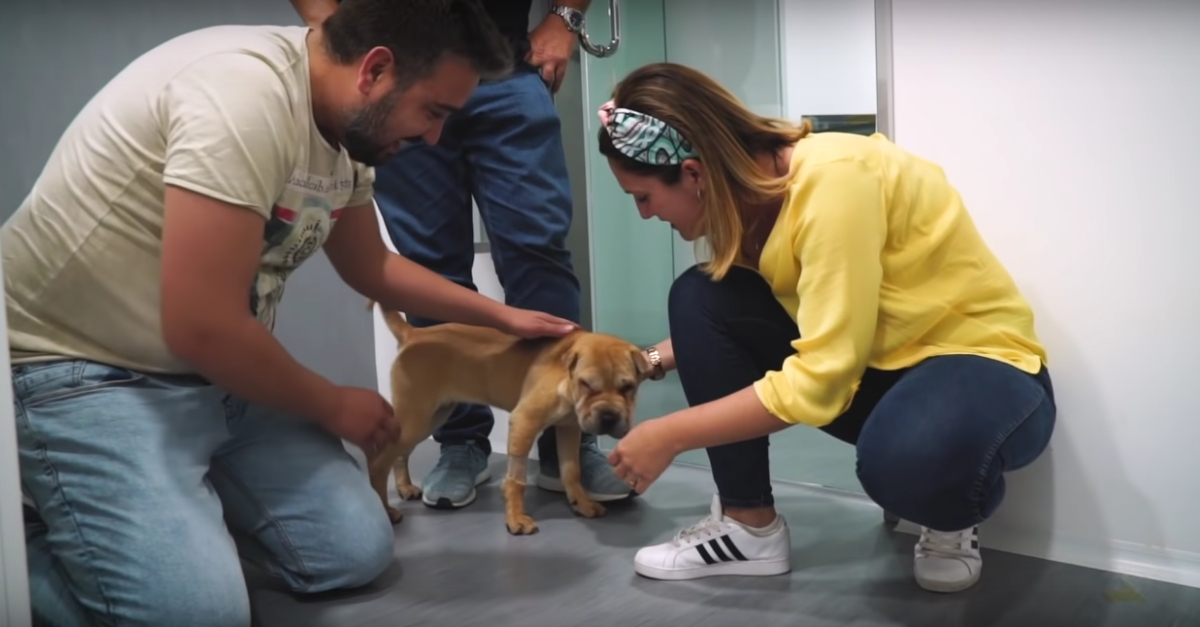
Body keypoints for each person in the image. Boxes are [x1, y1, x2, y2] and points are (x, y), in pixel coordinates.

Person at [3, 1, 581, 625]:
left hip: (215, 377)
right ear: (375, 70)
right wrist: (330, 403)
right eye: (434, 112)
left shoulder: (348, 125)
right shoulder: (242, 98)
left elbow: (371, 266)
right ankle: (32, 535)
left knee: (351, 552)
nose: (435, 139)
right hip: (84, 370)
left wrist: (503, 318)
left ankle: (156, 519)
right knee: (198, 616)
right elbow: (202, 325)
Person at [598, 63, 1057, 593]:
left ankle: (948, 510)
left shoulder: (836, 179)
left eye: (643, 196)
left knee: (908, 460)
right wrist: (645, 362)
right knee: (700, 294)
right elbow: (759, 328)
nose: (644, 214)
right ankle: (748, 528)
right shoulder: (749, 204)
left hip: (983, 369)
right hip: (878, 370)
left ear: (694, 174)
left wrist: (668, 434)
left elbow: (822, 381)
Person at [290, 0, 634, 510]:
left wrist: (566, 16)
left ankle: (569, 434)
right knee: (429, 260)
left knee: (538, 251)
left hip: (507, 67)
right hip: (401, 65)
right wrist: (336, 30)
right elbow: (377, 270)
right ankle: (460, 440)